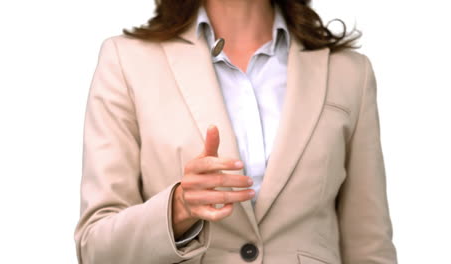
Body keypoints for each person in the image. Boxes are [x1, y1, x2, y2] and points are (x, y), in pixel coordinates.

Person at [74, 0, 398, 263]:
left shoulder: (350, 72)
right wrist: (179, 208)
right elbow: (95, 249)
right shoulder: (127, 60)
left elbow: (369, 246)